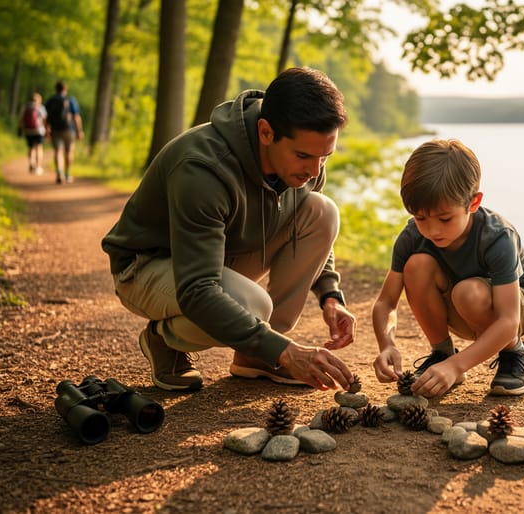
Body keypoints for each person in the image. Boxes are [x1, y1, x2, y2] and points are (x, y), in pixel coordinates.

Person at [102, 67, 356, 393]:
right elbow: (198, 290)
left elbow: (305, 223)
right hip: (147, 266)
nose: (314, 169)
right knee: (252, 305)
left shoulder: (304, 161)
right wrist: (285, 349)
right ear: (266, 132)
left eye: (326, 156)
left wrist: (330, 295)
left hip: (218, 253)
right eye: (304, 155)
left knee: (323, 211)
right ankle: (164, 340)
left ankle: (258, 356)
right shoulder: (203, 168)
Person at [371, 139, 524, 398]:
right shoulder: (412, 236)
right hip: (461, 305)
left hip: (516, 307)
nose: (432, 230)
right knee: (417, 265)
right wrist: (386, 345)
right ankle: (441, 353)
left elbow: (508, 321)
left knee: (468, 292)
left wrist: (456, 367)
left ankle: (515, 353)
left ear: (473, 203)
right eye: (420, 217)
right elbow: (386, 303)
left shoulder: (497, 236)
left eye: (445, 219)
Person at [44, 81, 84, 184]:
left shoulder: (51, 100)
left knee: (58, 152)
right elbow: (76, 117)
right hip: (69, 130)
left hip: (55, 130)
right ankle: (67, 174)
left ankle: (59, 173)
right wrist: (79, 131)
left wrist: (46, 130)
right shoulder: (70, 100)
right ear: (65, 89)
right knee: (69, 152)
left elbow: (46, 117)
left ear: (56, 89)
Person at [19, 92, 47, 175]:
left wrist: (20, 129)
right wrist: (47, 129)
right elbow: (45, 119)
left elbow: (21, 119)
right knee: (39, 148)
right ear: (39, 100)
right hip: (39, 131)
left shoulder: (25, 107)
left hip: (28, 131)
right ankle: (38, 167)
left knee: (31, 148)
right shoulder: (40, 107)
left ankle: (31, 162)